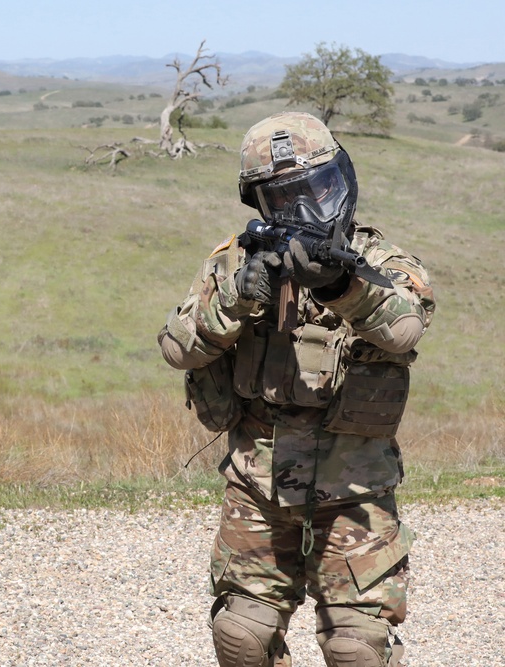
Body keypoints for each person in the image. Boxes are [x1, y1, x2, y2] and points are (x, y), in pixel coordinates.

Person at [157, 111, 435, 667]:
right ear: (261, 204)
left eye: (321, 188)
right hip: (257, 484)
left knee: (356, 647)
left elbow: (404, 327)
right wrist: (236, 297)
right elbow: (177, 347)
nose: (311, 208)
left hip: (354, 489)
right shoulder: (235, 261)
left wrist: (339, 285)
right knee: (241, 636)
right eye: (288, 197)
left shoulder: (380, 261)